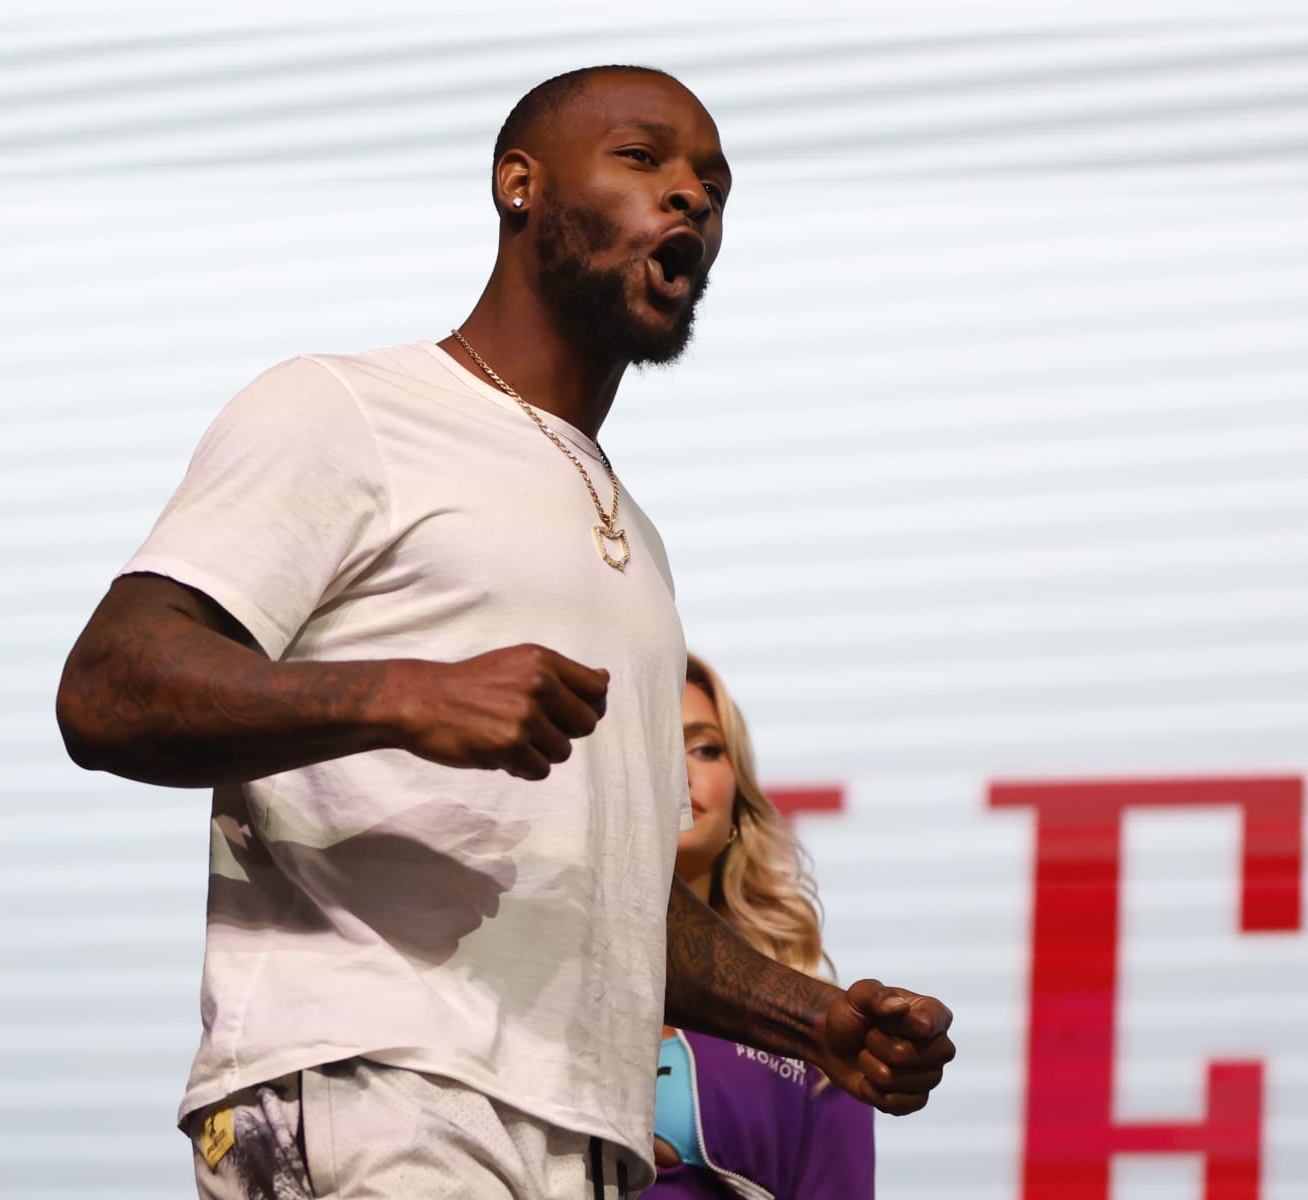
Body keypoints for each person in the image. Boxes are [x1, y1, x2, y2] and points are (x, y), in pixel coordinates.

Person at [55, 64, 953, 1200]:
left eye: (713, 184)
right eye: (644, 159)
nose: (690, 197)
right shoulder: (351, 409)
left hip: (582, 1129)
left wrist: (814, 1016)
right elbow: (107, 686)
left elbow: (604, 891)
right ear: (517, 184)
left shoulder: (634, 532)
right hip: (379, 1080)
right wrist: (405, 694)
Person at [648, 654, 874, 1200]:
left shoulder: (817, 1036)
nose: (680, 770)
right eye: (649, 743)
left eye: (704, 748)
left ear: (738, 812)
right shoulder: (511, 982)